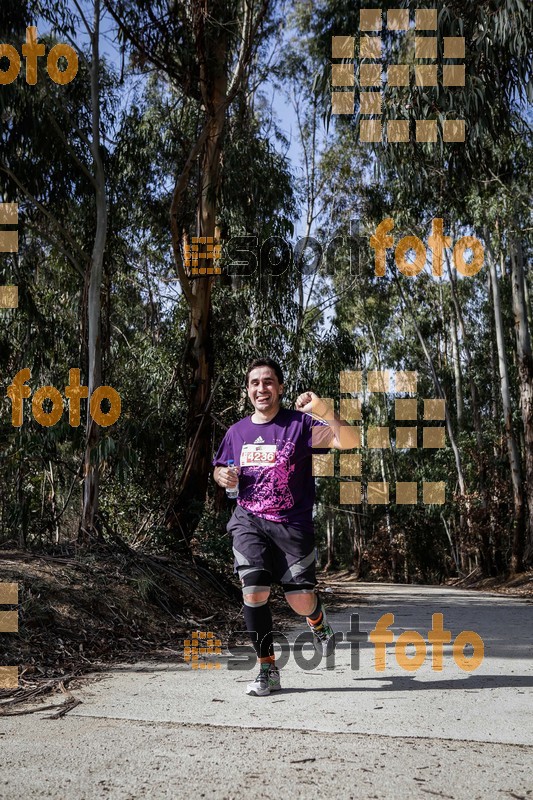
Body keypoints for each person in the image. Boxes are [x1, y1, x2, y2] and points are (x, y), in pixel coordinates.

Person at [213, 357, 358, 696]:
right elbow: (220, 470)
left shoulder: (300, 425)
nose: (261, 388)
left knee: (301, 601)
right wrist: (221, 476)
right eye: (254, 383)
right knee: (254, 592)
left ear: (279, 387)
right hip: (249, 519)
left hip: (292, 525)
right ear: (248, 390)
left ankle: (318, 622)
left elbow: (350, 441)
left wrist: (323, 409)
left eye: (268, 382)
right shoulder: (237, 432)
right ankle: (267, 670)